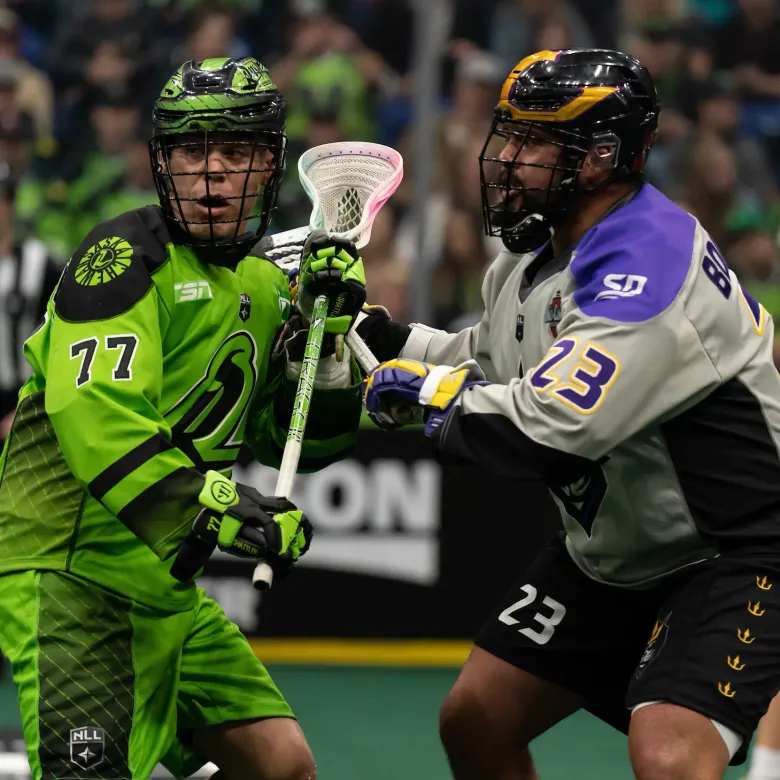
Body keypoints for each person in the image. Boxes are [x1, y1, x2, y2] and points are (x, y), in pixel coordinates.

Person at [339, 48, 780, 778]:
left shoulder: (648, 265)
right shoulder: (536, 252)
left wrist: (423, 397)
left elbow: (555, 427)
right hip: (614, 556)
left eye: (534, 141)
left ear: (602, 157)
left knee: (670, 758)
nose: (507, 158)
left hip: (732, 551)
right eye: (509, 134)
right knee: (475, 722)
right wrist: (378, 338)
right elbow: (493, 361)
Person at [0, 56, 366, 780]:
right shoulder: (119, 260)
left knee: (282, 766)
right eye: (191, 152)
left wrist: (324, 348)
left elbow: (298, 439)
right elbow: (96, 418)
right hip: (73, 577)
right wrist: (217, 506)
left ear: (271, 164)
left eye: (234, 150)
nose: (212, 173)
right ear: (163, 164)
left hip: (163, 587)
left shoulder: (269, 282)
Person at [0, 170, 62, 445]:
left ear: (10, 205)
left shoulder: (39, 262)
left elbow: (59, 337)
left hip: (24, 397)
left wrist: (33, 401)